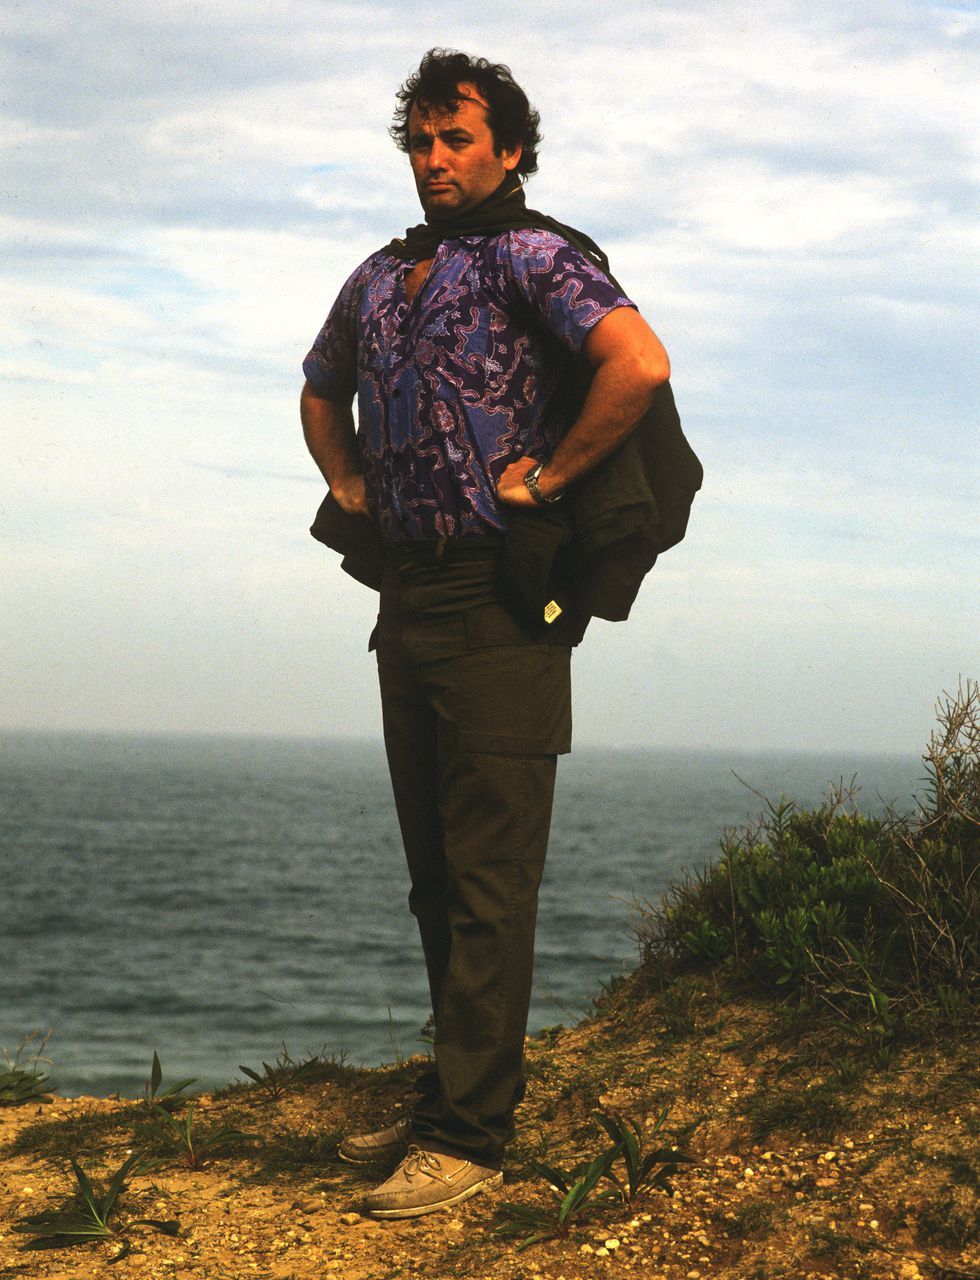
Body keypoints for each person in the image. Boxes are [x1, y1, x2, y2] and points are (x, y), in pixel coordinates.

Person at [300, 48, 670, 1220]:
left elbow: (637, 363)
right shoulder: (379, 276)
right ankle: (456, 1091)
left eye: (457, 139)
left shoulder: (532, 255)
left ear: (509, 149)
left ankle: (467, 1136)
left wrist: (548, 478)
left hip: (502, 606)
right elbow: (317, 386)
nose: (434, 160)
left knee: (489, 881)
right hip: (406, 599)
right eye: (419, 141)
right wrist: (347, 475)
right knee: (435, 875)